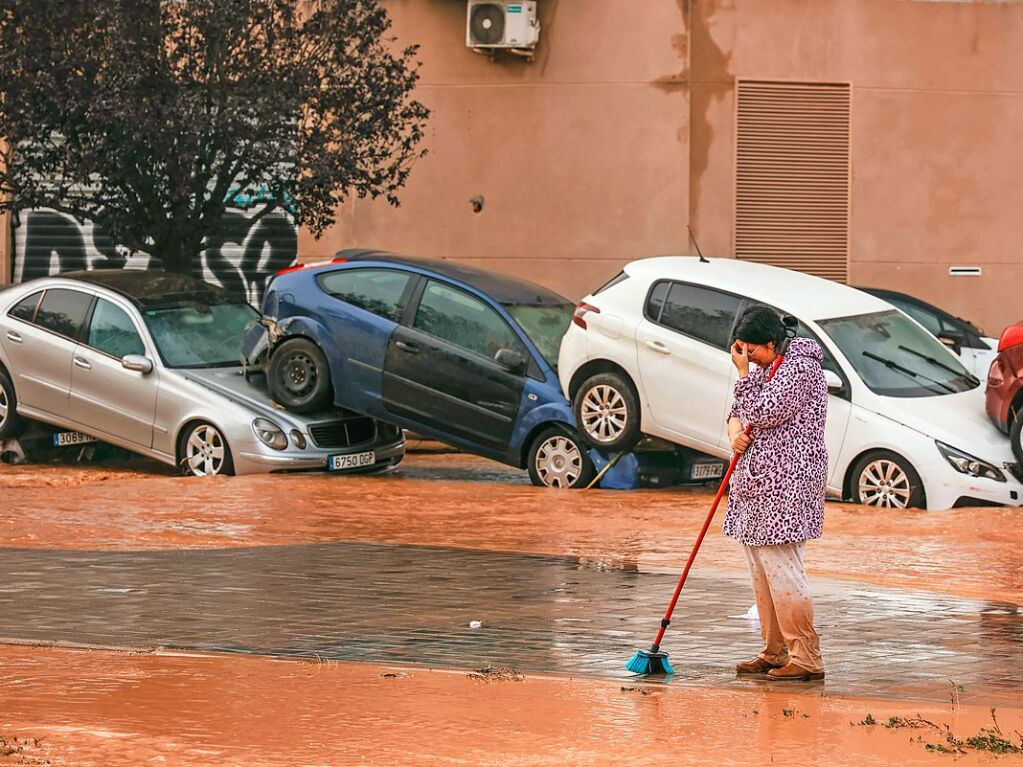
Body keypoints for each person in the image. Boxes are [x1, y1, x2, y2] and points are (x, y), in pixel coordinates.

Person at [724, 306, 828, 681]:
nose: (747, 358)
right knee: (761, 570)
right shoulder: (769, 369)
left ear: (771, 342)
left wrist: (742, 374)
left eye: (751, 351)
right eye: (741, 352)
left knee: (783, 569)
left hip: (787, 485)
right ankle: (774, 650)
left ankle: (806, 656)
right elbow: (738, 410)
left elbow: (765, 410)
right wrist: (734, 431)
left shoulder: (801, 369)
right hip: (754, 485)